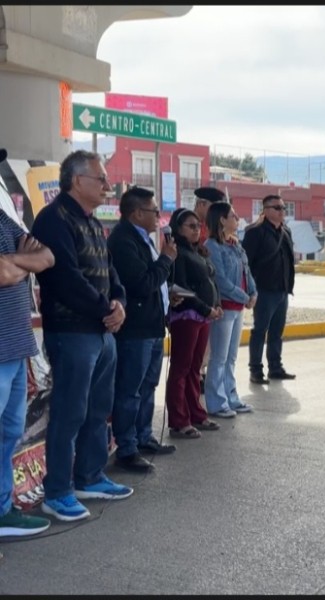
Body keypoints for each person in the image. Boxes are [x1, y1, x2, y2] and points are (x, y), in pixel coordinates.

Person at [31, 150, 133, 522]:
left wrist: (119, 302)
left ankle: (89, 476)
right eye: (100, 179)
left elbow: (111, 273)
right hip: (72, 332)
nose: (108, 186)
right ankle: (57, 491)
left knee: (96, 410)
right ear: (77, 181)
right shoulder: (53, 219)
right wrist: (107, 310)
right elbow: (64, 280)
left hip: (101, 333)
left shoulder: (94, 223)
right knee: (69, 413)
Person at [107, 186, 178, 474]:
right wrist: (166, 259)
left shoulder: (144, 239)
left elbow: (155, 281)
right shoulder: (123, 241)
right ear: (137, 213)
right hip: (135, 329)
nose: (159, 217)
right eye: (154, 211)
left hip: (152, 325)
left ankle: (143, 436)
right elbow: (141, 283)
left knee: (148, 385)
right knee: (130, 390)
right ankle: (126, 447)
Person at [0, 196, 54, 537]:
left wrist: (14, 261)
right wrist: (25, 263)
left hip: (16, 346)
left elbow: (47, 257)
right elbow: (2, 272)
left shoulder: (5, 218)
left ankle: (3, 510)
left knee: (8, 433)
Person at [165, 208, 223, 435]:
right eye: (191, 226)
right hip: (187, 316)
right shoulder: (177, 253)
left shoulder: (199, 251)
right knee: (181, 368)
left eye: (198, 226)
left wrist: (216, 305)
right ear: (178, 229)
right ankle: (179, 421)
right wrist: (205, 308)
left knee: (195, 369)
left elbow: (211, 281)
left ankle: (196, 414)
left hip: (205, 316)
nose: (196, 230)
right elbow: (182, 288)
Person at [204, 202, 257, 417]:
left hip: (238, 308)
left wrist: (253, 293)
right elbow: (221, 281)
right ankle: (217, 402)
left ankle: (231, 397)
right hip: (225, 308)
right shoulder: (212, 246)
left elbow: (247, 271)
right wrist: (244, 297)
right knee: (219, 357)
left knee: (232, 357)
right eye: (232, 215)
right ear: (221, 220)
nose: (237, 218)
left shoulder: (235, 245)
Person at [243, 194, 296, 383]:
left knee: (277, 331)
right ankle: (255, 370)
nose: (282, 211)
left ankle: (275, 367)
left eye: (283, 207)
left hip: (282, 289)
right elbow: (246, 263)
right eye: (277, 208)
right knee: (260, 330)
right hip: (263, 290)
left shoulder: (286, 231)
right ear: (265, 210)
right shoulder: (254, 232)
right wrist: (250, 290)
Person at [193, 186, 226, 393]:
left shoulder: (212, 228)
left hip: (210, 298)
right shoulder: (188, 226)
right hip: (192, 300)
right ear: (202, 205)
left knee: (207, 346)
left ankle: (201, 375)